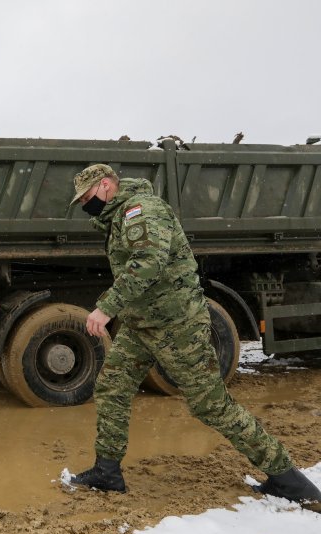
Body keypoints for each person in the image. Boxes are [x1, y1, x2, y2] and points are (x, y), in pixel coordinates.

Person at [67, 164, 321, 504]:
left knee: (211, 406)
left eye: (87, 196)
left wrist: (106, 307)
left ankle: (290, 481)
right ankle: (107, 471)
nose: (86, 204)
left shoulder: (143, 210)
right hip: (143, 324)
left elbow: (148, 262)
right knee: (112, 388)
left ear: (107, 185)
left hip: (177, 325)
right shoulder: (120, 216)